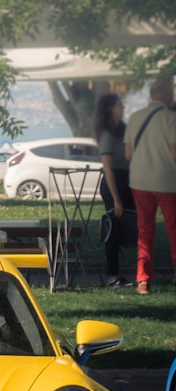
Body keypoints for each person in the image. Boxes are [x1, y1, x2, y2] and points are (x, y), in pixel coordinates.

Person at [125, 78, 176, 295]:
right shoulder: (171, 119)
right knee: (173, 229)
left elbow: (128, 154)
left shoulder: (135, 117)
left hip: (139, 181)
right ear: (167, 94)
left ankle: (143, 280)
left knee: (145, 230)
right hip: (166, 182)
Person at [93, 93, 136, 287]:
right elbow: (108, 167)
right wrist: (116, 198)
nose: (123, 108)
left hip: (127, 179)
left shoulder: (123, 130)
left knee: (129, 225)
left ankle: (122, 273)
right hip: (114, 182)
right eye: (120, 105)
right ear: (111, 108)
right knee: (114, 228)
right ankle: (113, 275)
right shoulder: (107, 134)